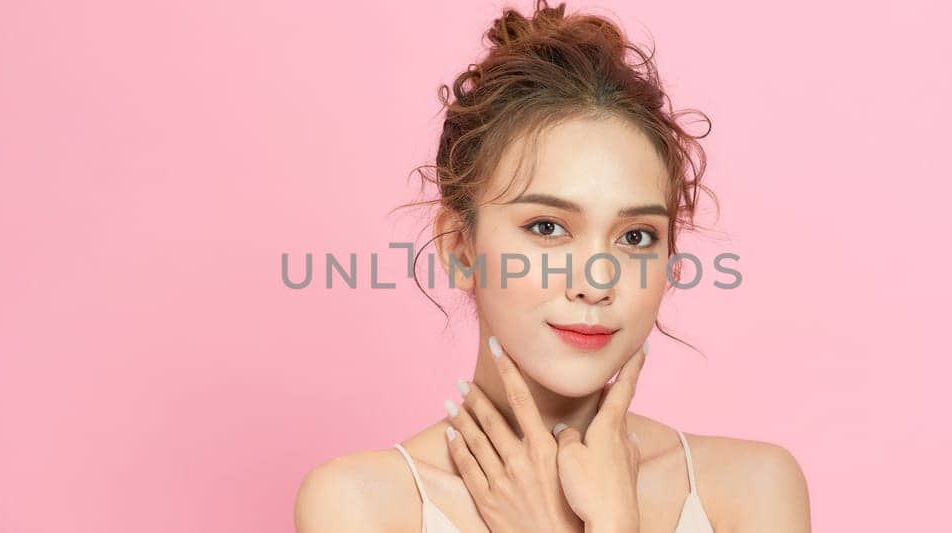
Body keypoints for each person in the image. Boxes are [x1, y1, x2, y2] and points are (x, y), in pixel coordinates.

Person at [296, 2, 810, 531]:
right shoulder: (363, 505)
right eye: (547, 227)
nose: (595, 284)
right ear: (459, 249)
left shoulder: (752, 488)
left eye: (636, 237)